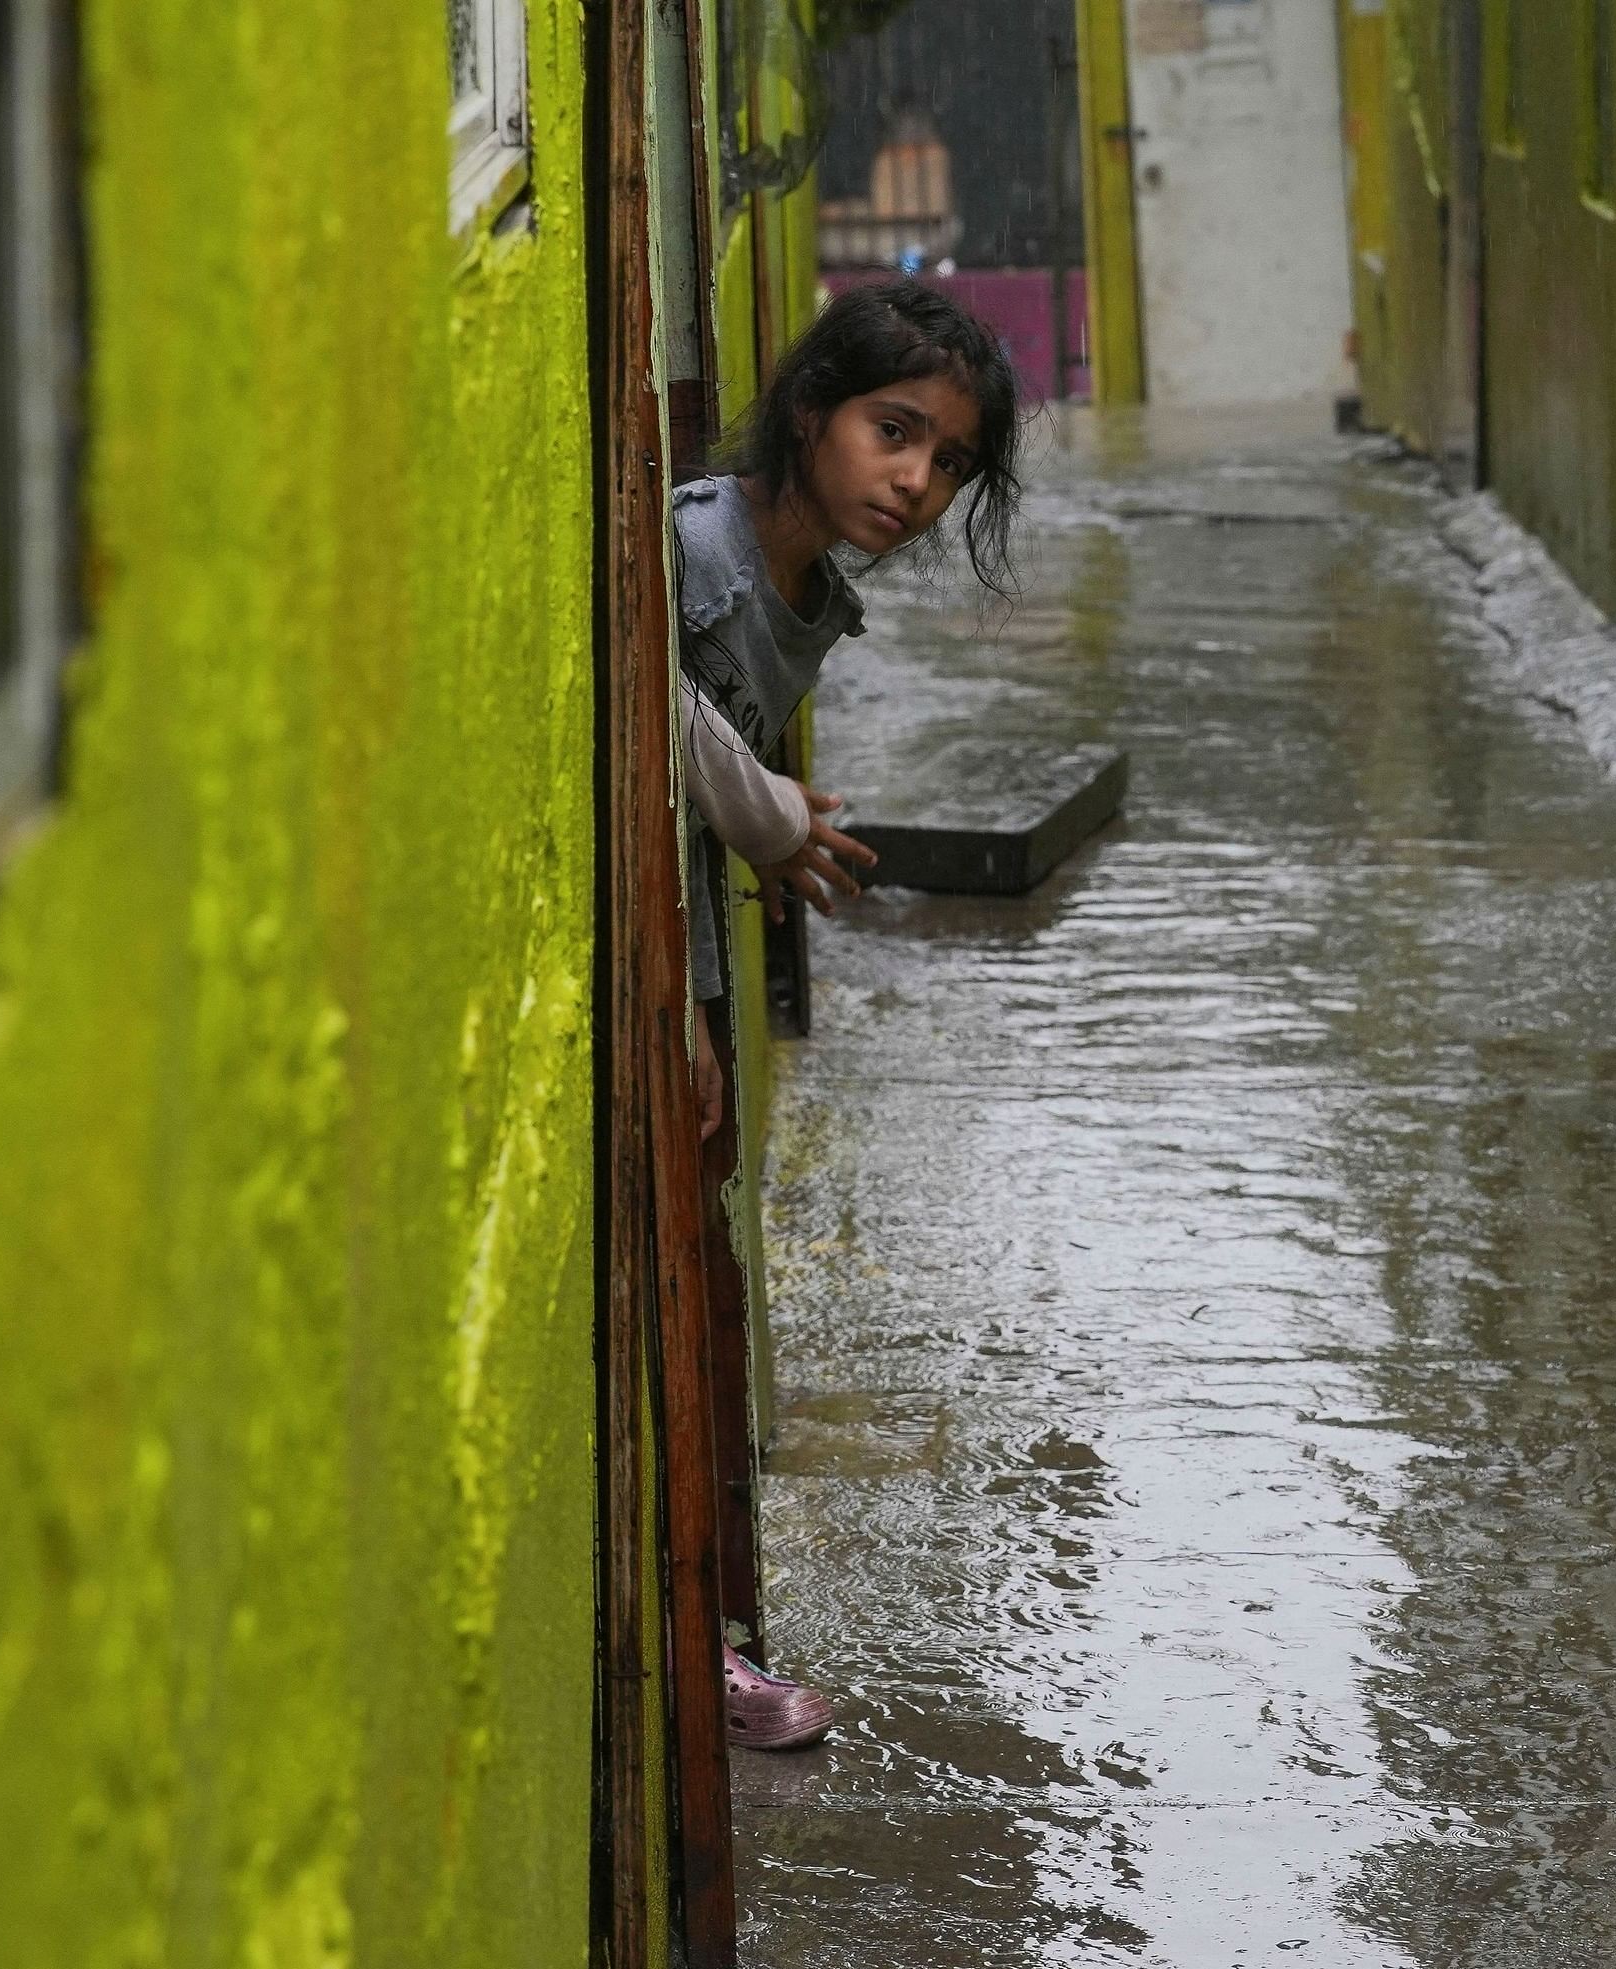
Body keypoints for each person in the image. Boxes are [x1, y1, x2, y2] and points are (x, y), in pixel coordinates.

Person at [670, 278, 1025, 1752]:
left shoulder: (801, 590)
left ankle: (713, 1640)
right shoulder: (700, 549)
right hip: (640, 968)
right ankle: (703, 1654)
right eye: (895, 433)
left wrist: (762, 808)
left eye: (948, 462)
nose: (917, 483)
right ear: (811, 409)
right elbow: (636, 693)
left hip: (679, 962)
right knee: (675, 1315)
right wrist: (761, 813)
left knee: (701, 1291)